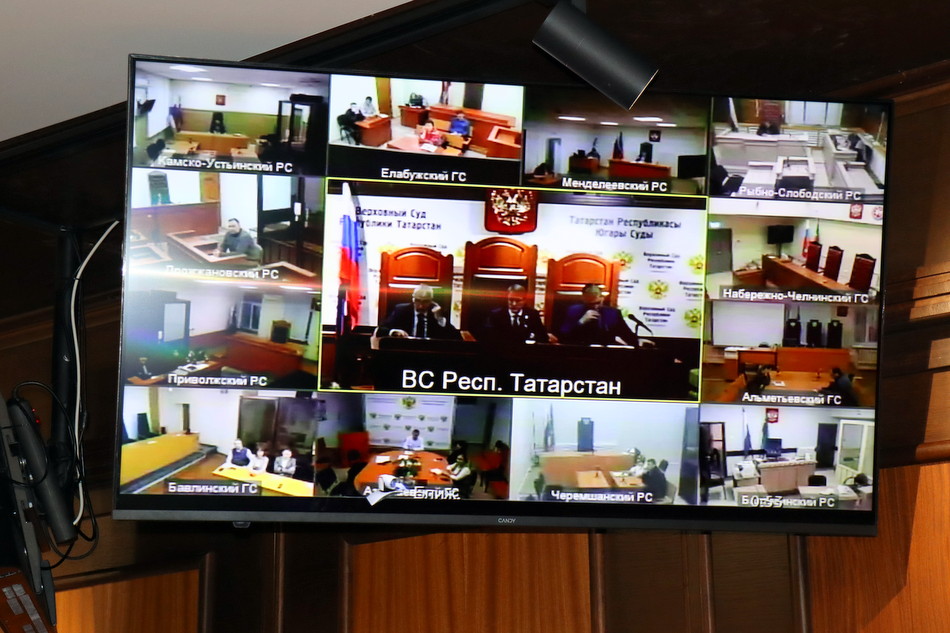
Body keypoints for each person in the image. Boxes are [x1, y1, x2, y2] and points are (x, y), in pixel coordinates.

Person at [560, 283, 639, 347]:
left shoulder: (613, 313)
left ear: (602, 298)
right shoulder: (573, 311)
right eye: (590, 304)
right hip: (581, 352)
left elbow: (627, 335)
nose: (595, 306)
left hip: (607, 354)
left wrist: (637, 344)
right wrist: (581, 322)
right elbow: (563, 337)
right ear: (584, 299)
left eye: (598, 303)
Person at [377, 284, 461, 340]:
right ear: (413, 299)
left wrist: (440, 319)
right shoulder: (401, 310)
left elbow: (456, 337)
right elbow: (380, 330)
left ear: (431, 301)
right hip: (406, 351)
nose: (421, 306)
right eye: (418, 301)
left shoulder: (437, 312)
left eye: (425, 302)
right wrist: (393, 332)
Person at [482, 284, 552, 344]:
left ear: (524, 300)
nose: (514, 304)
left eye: (518, 300)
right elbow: (488, 338)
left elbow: (542, 337)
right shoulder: (496, 315)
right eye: (511, 300)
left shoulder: (533, 315)